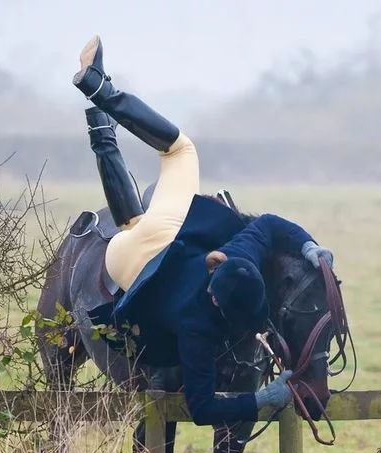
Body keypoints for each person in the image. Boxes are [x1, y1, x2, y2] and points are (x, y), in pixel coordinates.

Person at [73, 36, 333, 426]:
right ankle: (102, 135)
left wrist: (309, 245)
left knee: (180, 149)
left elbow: (269, 224)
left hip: (171, 229)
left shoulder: (237, 255)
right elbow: (203, 408)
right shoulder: (198, 328)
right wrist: (262, 398)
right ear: (219, 306)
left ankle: (100, 90)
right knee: (130, 226)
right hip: (133, 259)